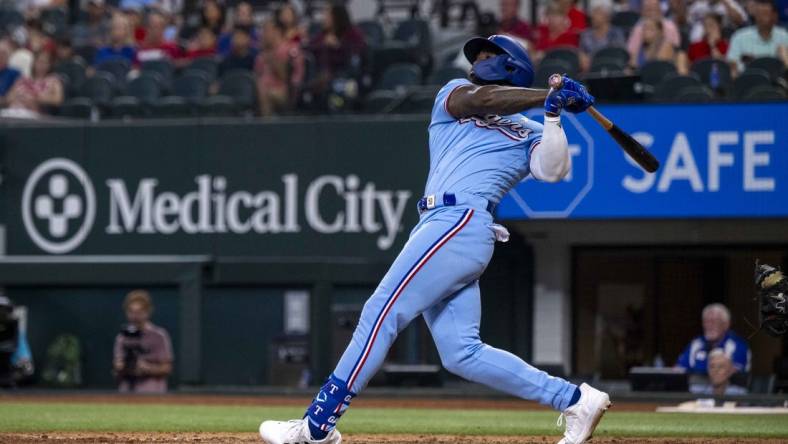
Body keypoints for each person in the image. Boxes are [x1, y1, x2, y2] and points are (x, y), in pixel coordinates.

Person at [259, 34, 609, 444]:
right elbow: (482, 102)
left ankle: (317, 426)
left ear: (512, 64)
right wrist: (546, 95)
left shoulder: (531, 128)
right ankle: (574, 399)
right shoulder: (455, 95)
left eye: (489, 54)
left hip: (460, 221)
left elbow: (552, 171)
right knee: (462, 353)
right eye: (478, 54)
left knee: (380, 314)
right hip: (444, 223)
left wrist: (553, 115)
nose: (478, 59)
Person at [112, 290, 173, 393]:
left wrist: (148, 368)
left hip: (152, 391)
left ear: (148, 312)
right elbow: (117, 365)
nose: (135, 316)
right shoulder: (122, 336)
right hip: (127, 390)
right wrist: (121, 367)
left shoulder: (159, 335)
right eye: (131, 312)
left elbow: (167, 368)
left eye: (139, 312)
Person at [676, 303, 750, 375]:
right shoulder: (696, 343)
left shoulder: (737, 345)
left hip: (728, 387)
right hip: (696, 386)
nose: (709, 326)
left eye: (714, 321)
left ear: (726, 324)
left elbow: (733, 374)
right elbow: (679, 370)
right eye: (706, 321)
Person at [255, 19, 303, 116]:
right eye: (263, 31)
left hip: (287, 91)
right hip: (263, 90)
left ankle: (267, 128)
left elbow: (285, 77)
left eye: (267, 31)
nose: (263, 35)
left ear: (277, 32)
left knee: (266, 94)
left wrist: (272, 57)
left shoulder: (290, 49)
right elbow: (257, 75)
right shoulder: (261, 54)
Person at [726, 0, 788, 74]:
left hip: (777, 83)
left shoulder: (784, 36)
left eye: (765, 14)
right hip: (748, 80)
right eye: (759, 14)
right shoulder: (739, 36)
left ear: (775, 16)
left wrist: (785, 58)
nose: (761, 18)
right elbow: (732, 64)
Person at [1, 50, 63, 119]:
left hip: (35, 114)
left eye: (44, 62)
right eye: (38, 62)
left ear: (50, 64)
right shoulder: (23, 79)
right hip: (13, 111)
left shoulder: (54, 80)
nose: (41, 65)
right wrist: (18, 97)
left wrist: (37, 98)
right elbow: (8, 97)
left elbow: (58, 100)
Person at [627, 0, 682, 66]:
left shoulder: (669, 29)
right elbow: (631, 55)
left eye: (650, 29)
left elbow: (658, 66)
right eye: (648, 9)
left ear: (659, 32)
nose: (651, 12)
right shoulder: (638, 27)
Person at [580, 0, 627, 67]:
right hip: (591, 72)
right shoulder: (586, 35)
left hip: (612, 70)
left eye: (596, 12)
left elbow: (620, 56)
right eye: (592, 12)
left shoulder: (616, 34)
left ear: (607, 15)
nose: (592, 16)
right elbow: (582, 55)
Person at [0, 40, 21, 108]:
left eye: (4, 53)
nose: (1, 55)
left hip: (6, 107)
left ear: (9, 55)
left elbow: (15, 93)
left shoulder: (15, 73)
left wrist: (4, 100)